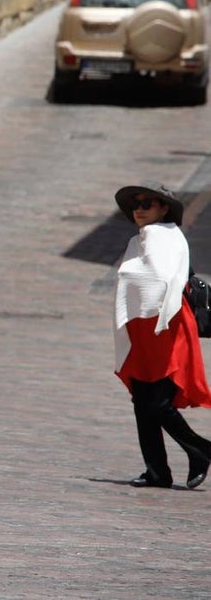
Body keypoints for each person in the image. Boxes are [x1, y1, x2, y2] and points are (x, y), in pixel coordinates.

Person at [112, 181, 211, 489]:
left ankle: (201, 449)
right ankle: (157, 471)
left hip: (166, 326)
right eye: (136, 205)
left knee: (157, 401)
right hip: (142, 329)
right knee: (142, 400)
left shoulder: (166, 237)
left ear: (164, 208)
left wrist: (156, 316)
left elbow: (166, 278)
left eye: (147, 204)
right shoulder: (139, 239)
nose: (139, 209)